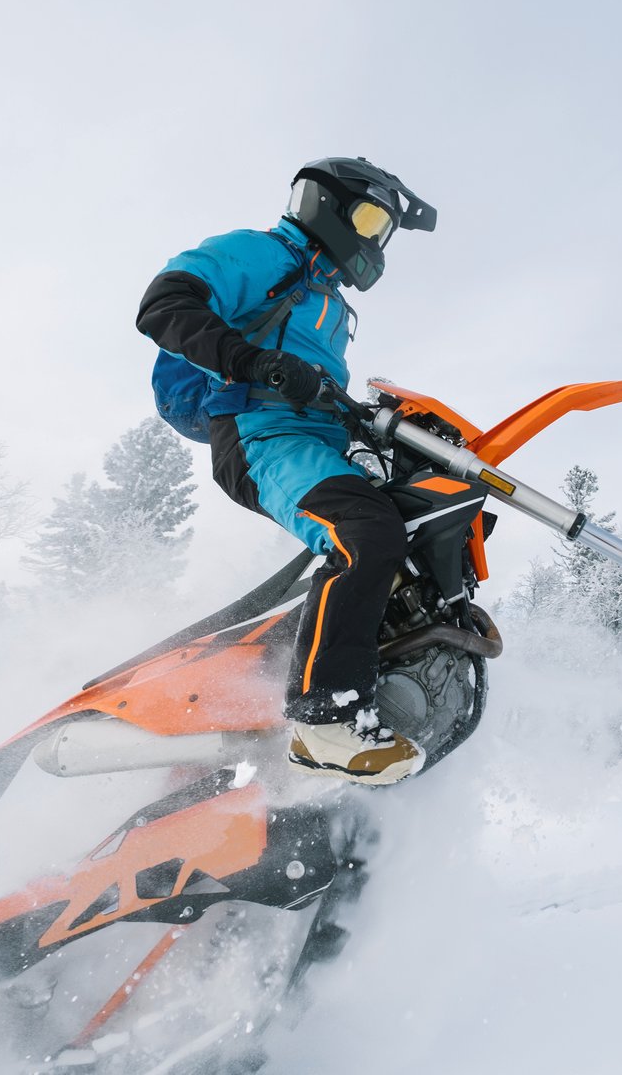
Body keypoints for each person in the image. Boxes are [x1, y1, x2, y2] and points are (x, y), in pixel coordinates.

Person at [136, 157, 437, 785]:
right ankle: (324, 719)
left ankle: (393, 671)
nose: (375, 239)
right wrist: (254, 363)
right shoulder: (263, 254)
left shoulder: (328, 303)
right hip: (258, 434)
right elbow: (164, 305)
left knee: (421, 521)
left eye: (384, 230)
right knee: (364, 536)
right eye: (371, 218)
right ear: (325, 205)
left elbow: (315, 388)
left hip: (311, 437)